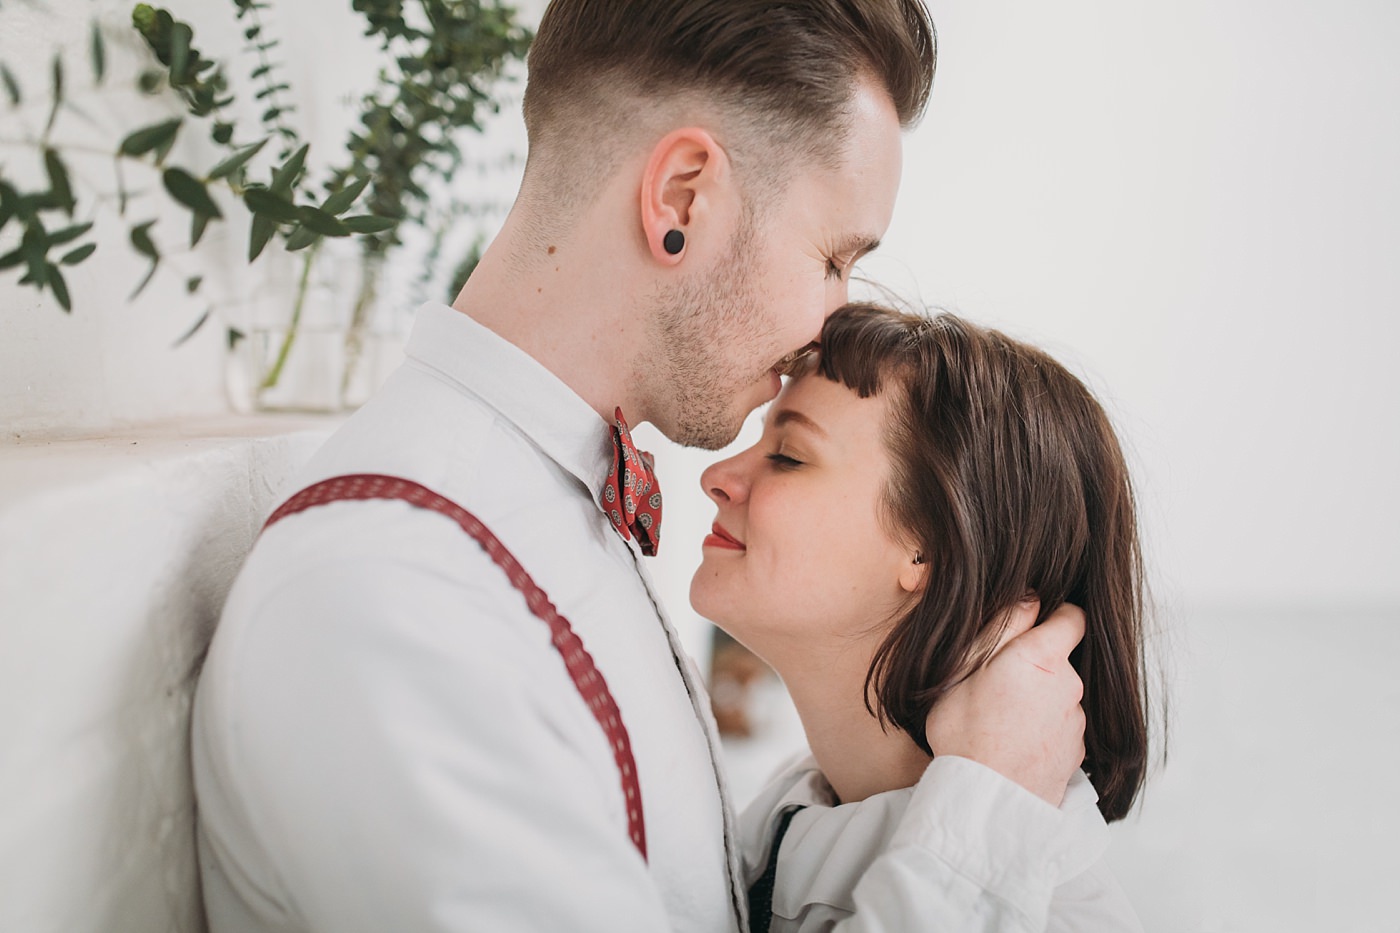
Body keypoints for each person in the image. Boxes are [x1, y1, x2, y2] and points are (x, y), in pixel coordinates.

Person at [191, 2, 1088, 930]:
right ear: (682, 199)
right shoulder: (396, 602)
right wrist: (982, 818)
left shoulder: (540, 513)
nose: (831, 325)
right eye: (831, 257)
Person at [692, 303, 1152, 932]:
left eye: (790, 456)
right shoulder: (786, 818)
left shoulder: (1060, 918)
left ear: (933, 550)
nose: (717, 477)